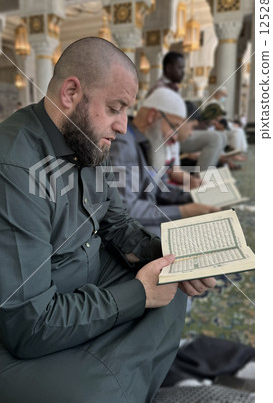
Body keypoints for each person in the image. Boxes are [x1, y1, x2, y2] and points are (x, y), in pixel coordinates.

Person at [0, 37, 216, 403]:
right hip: (24, 326)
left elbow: (117, 224)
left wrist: (169, 258)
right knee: (93, 395)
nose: (122, 126)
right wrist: (138, 294)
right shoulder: (16, 167)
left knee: (173, 288)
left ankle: (113, 367)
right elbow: (28, 326)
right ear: (71, 92)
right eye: (116, 108)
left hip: (81, 282)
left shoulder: (85, 142)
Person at [109, 86, 220, 237]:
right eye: (173, 126)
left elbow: (155, 187)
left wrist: (190, 196)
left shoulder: (146, 140)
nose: (174, 136)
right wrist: (184, 211)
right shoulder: (124, 145)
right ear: (152, 116)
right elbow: (126, 208)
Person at [147, 51, 228, 171]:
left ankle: (200, 180)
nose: (183, 72)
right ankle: (202, 181)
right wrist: (187, 126)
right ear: (169, 68)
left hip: (178, 129)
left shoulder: (173, 88)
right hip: (166, 134)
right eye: (180, 68)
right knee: (215, 138)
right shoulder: (160, 90)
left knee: (222, 136)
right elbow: (167, 122)